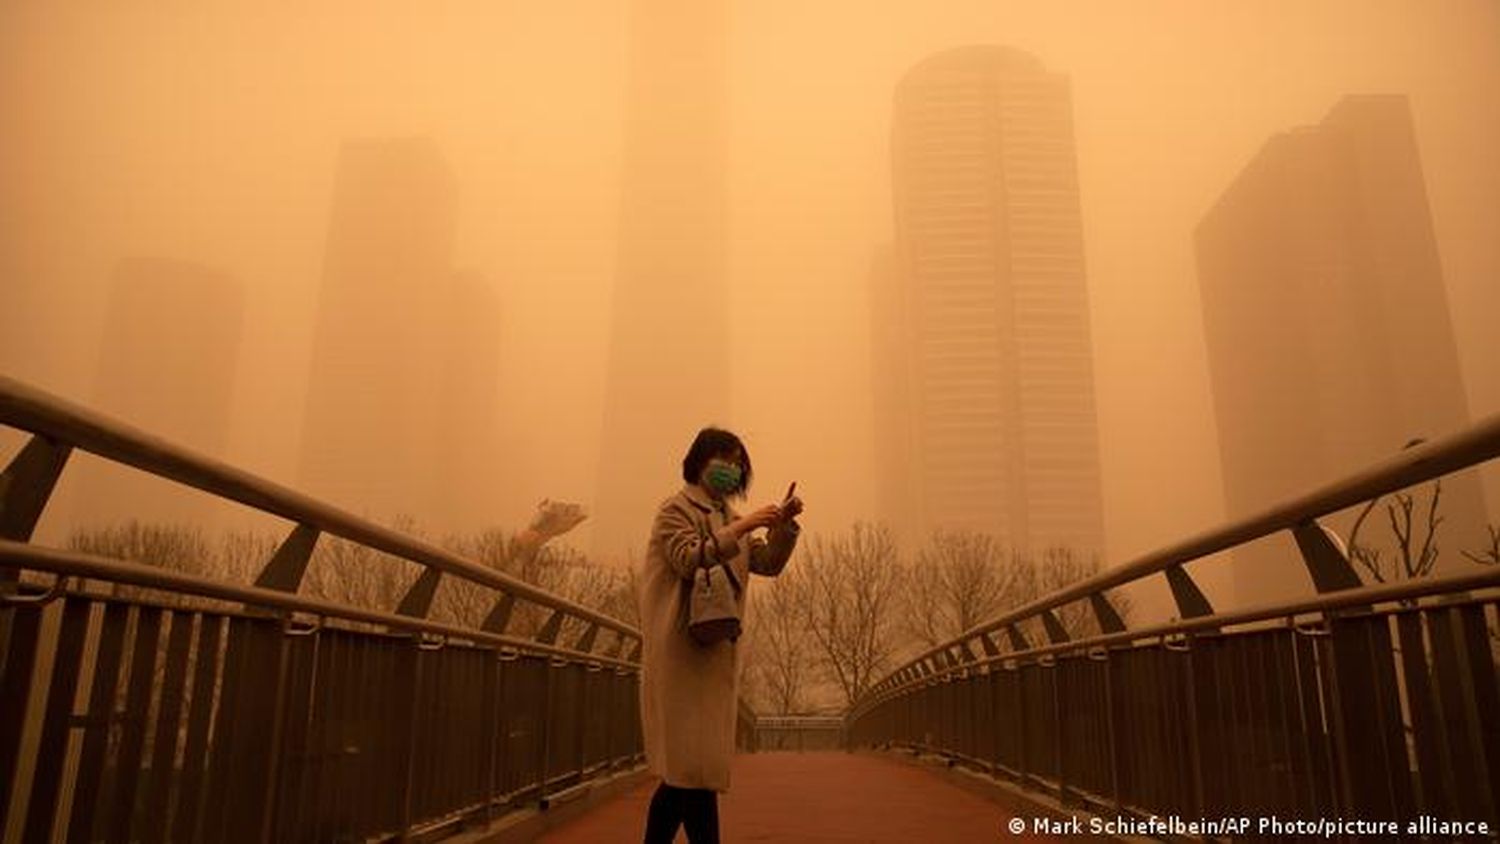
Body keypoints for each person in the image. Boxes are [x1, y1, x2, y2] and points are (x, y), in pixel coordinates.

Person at [637, 427, 804, 844]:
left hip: (714, 653)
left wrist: (781, 527)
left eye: (737, 463)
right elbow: (688, 557)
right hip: (680, 655)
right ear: (699, 460)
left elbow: (765, 563)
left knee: (693, 773)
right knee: (690, 772)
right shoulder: (674, 510)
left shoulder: (730, 519)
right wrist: (746, 524)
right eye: (723, 459)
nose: (731, 469)